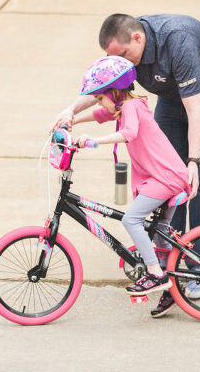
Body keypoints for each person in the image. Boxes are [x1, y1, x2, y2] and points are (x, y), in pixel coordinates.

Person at [53, 13, 200, 318]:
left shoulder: (178, 42)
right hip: (170, 96)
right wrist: (70, 111)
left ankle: (199, 267)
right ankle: (169, 267)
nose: (122, 63)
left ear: (137, 39)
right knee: (163, 189)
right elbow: (105, 88)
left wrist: (193, 162)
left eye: (124, 56)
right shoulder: (124, 53)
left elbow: (195, 111)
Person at [70, 55, 191, 296]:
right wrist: (70, 119)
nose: (100, 103)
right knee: (161, 234)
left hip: (165, 177)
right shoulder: (126, 107)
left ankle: (156, 274)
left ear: (115, 92)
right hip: (163, 176)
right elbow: (100, 116)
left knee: (132, 220)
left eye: (101, 97)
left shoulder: (132, 107)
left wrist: (94, 141)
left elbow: (129, 133)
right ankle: (172, 290)